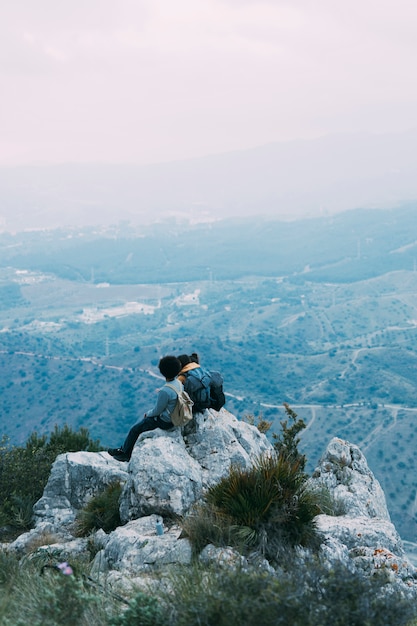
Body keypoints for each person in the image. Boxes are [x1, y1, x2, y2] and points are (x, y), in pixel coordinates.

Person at [108, 355, 183, 462]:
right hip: (175, 417)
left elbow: (157, 410)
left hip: (165, 421)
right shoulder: (179, 383)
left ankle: (125, 453)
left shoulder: (165, 391)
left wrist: (147, 414)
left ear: (162, 371)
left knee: (135, 429)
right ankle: (124, 449)